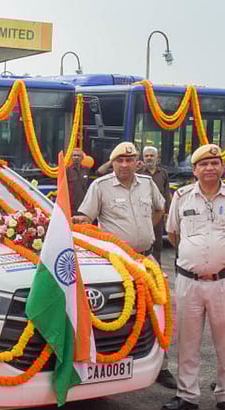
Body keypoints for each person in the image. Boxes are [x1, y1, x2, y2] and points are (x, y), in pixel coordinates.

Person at [73, 142, 174, 387]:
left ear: (137, 161)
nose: (125, 165)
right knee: (118, 312)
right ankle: (112, 362)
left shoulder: (148, 184)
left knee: (158, 311)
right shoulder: (100, 186)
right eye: (120, 160)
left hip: (146, 258)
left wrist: (147, 228)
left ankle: (161, 365)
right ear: (113, 162)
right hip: (117, 263)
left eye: (130, 160)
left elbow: (160, 209)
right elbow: (86, 218)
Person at [161, 144, 225, 410]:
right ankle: (187, 394)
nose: (210, 168)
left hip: (223, 281)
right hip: (189, 281)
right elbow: (173, 235)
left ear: (222, 168)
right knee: (187, 341)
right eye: (204, 164)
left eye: (215, 163)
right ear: (194, 170)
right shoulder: (182, 196)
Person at [138, 146, 172, 264]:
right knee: (142, 243)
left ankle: (157, 270)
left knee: (157, 243)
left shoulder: (163, 173)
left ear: (157, 158)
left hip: (158, 214)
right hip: (141, 214)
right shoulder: (138, 173)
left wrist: (168, 212)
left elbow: (166, 193)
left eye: (151, 155)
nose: (149, 158)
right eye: (146, 156)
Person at [65, 147, 92, 215]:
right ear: (71, 157)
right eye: (74, 155)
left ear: (82, 158)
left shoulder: (86, 170)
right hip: (71, 206)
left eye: (78, 155)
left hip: (84, 205)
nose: (76, 157)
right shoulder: (67, 171)